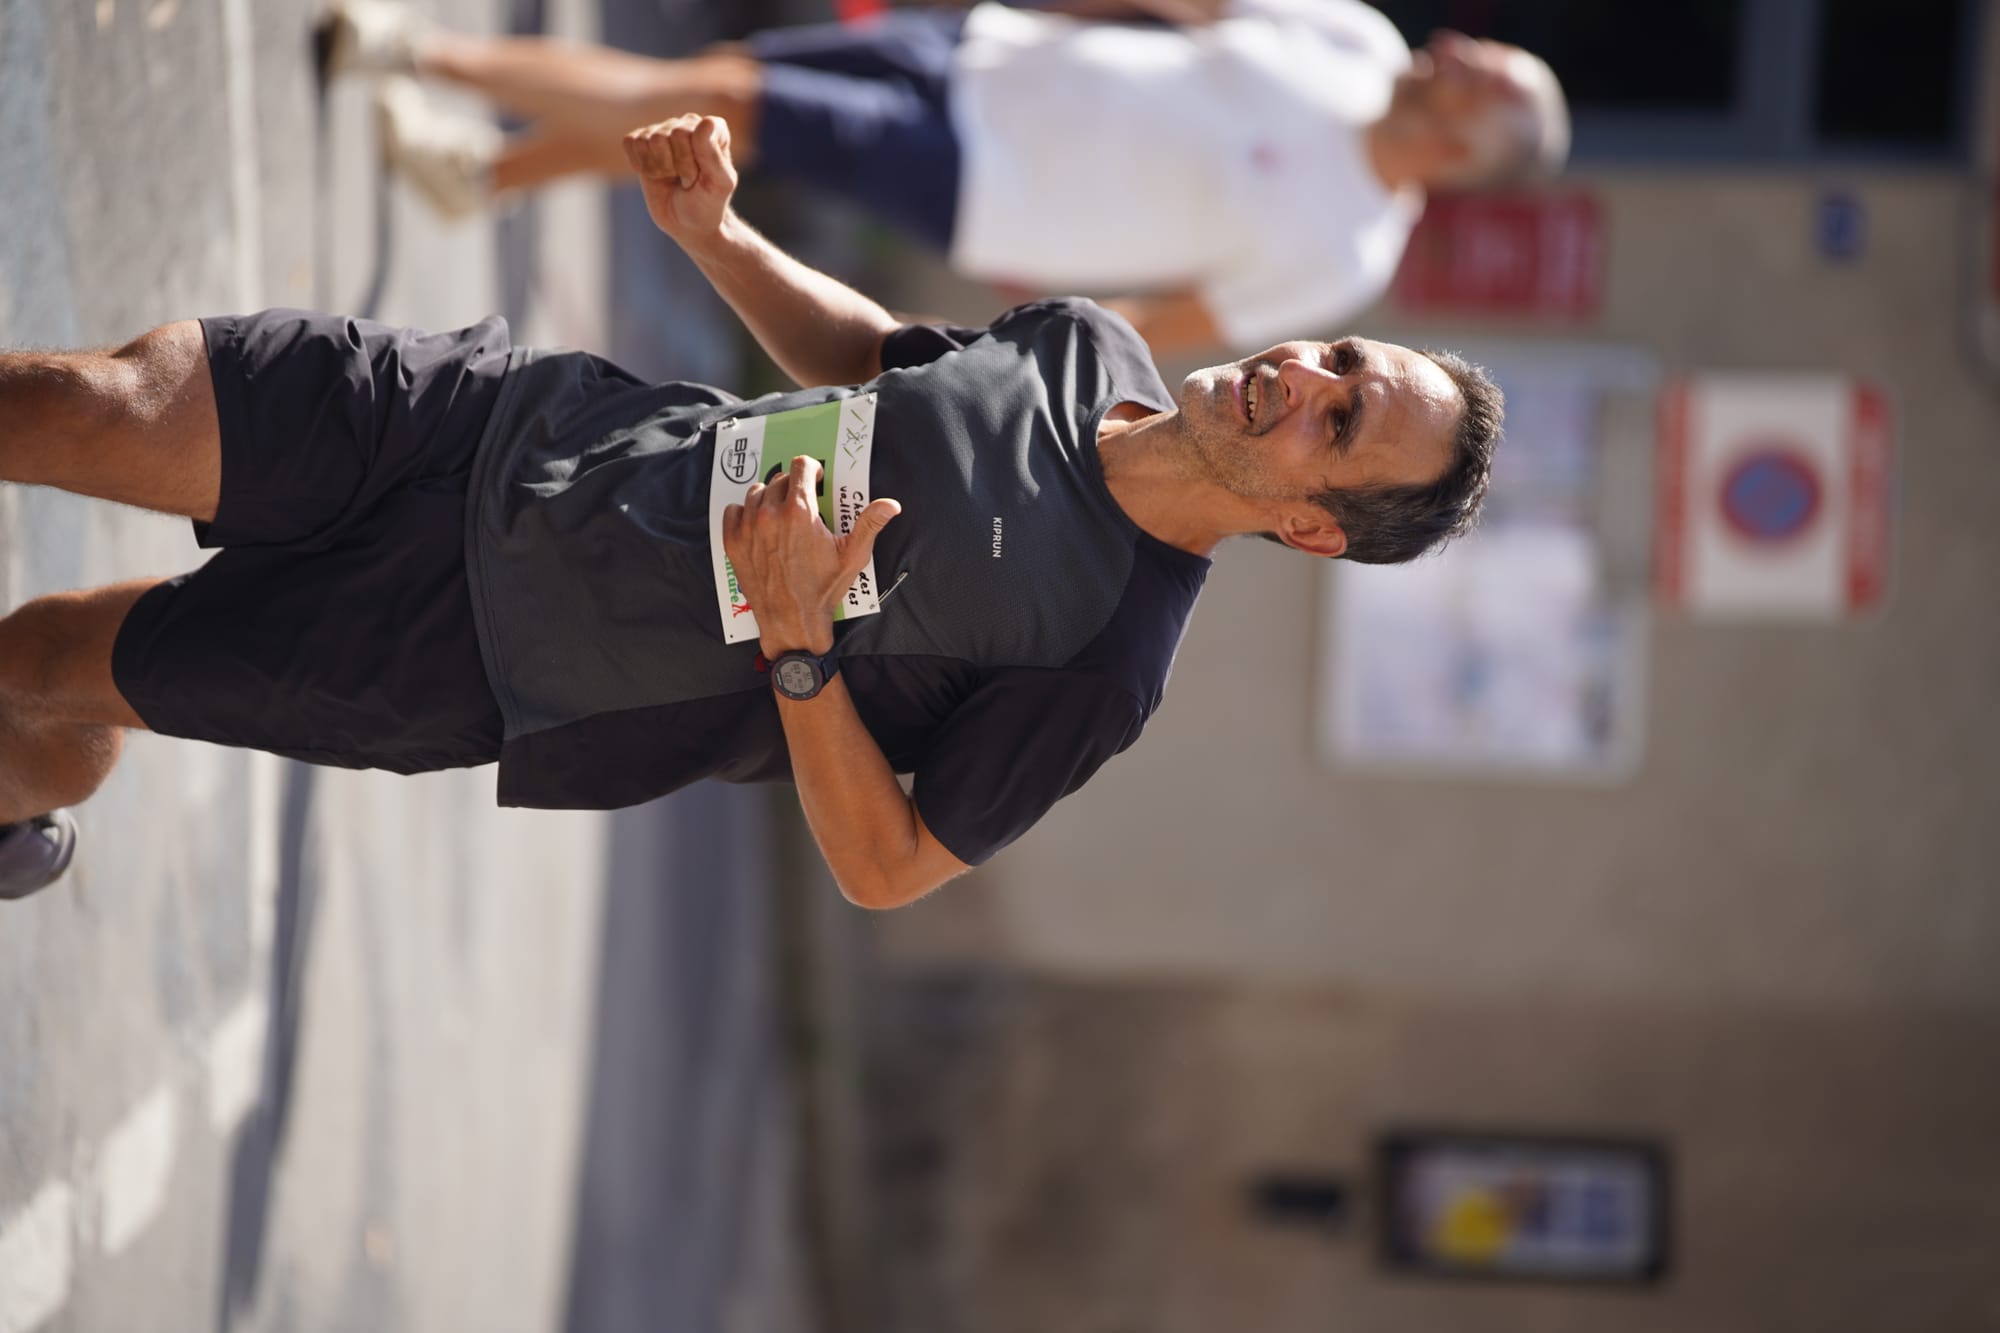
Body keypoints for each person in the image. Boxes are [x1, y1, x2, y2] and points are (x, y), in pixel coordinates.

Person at [0, 114, 1500, 907]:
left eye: (1341, 423)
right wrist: (717, 236)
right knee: (84, 408)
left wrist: (800, 650)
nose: (1304, 376)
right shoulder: (1087, 344)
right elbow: (874, 362)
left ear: (1313, 525)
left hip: (471, 659)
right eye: (1343, 358)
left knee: (49, 661)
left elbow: (891, 866)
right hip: (503, 424)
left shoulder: (1103, 660)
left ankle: (16, 804)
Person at [321, 0, 1568, 355]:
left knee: (726, 106)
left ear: (1464, 153)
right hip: (984, 50)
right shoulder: (1351, 32)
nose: (1451, 45)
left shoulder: (1348, 252)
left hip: (984, 185)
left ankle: (419, 48)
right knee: (717, 79)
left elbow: (1158, 326)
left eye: (1479, 72)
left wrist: (993, 363)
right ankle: (481, 177)